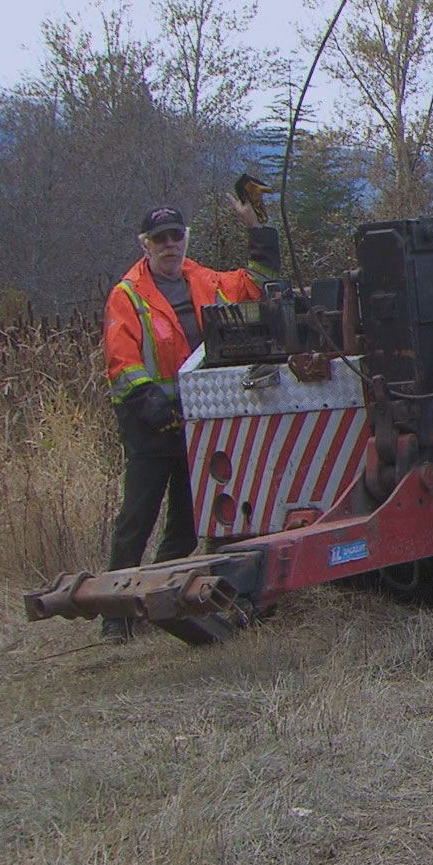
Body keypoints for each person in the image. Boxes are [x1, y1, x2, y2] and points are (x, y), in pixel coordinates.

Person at [99, 196, 279, 641]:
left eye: (176, 236)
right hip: (148, 424)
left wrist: (257, 229)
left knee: (186, 521)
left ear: (185, 239)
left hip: (196, 421)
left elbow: (257, 284)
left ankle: (159, 603)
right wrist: (155, 408)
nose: (169, 245)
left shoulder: (204, 279)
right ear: (145, 245)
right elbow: (122, 365)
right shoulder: (127, 295)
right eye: (160, 239)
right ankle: (115, 617)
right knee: (136, 519)